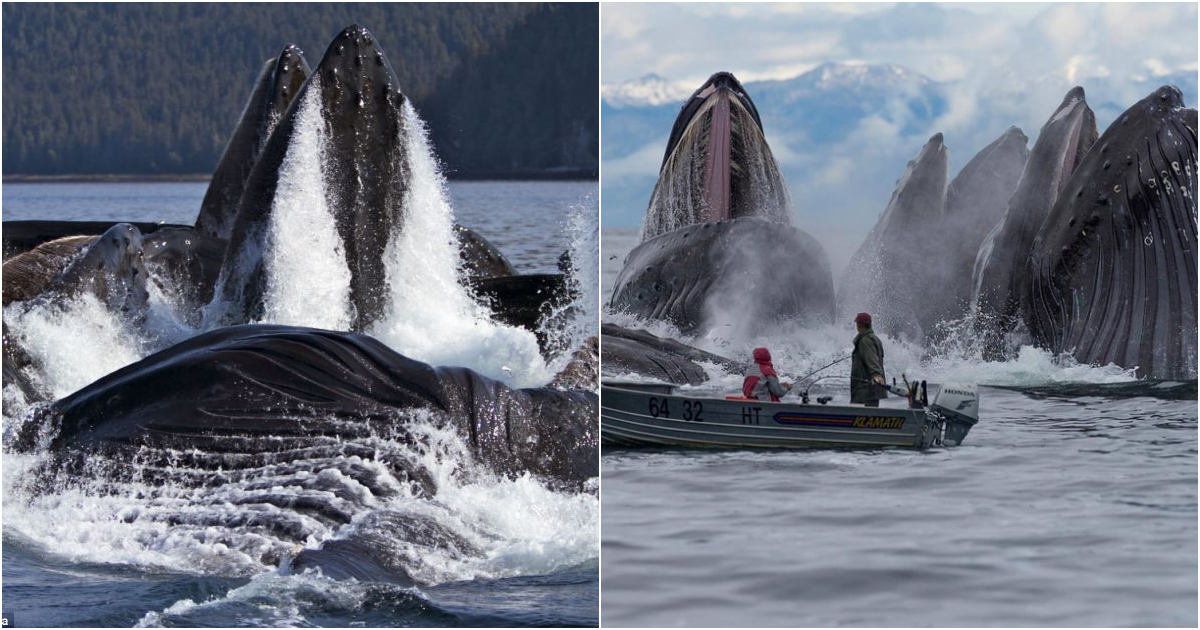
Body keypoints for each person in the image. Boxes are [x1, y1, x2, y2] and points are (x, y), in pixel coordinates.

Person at [850, 312, 888, 407]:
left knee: (863, 417)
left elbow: (872, 359)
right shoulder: (874, 338)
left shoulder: (865, 340)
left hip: (865, 388)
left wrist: (876, 375)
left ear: (860, 325)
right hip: (871, 389)